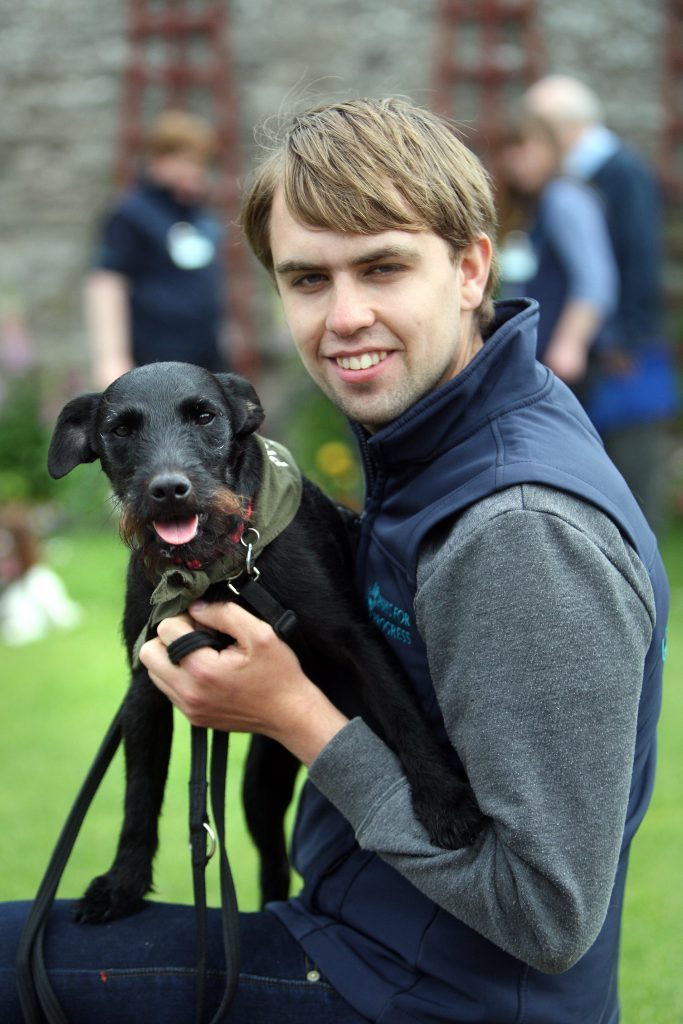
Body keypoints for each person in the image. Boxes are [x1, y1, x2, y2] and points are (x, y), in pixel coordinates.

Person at [0, 98, 668, 1023]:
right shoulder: (435, 443)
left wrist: (294, 716)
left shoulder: (519, 531)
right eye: (307, 279)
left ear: (471, 267)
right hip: (350, 925)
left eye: (383, 267)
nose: (345, 316)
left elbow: (546, 917)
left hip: (420, 992)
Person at [523, 75, 678, 532]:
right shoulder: (582, 178)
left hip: (625, 349)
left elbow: (638, 259)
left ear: (564, 128)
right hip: (606, 346)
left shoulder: (619, 171)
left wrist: (624, 341)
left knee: (632, 467)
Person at [85, 109, 230, 389]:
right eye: (188, 161)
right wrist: (111, 357)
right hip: (151, 364)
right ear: (160, 160)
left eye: (202, 163)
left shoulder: (198, 215)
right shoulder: (132, 214)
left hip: (204, 359)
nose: (197, 171)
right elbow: (106, 283)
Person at [497, 111, 618, 400]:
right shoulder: (533, 203)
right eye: (510, 151)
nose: (517, 160)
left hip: (562, 359)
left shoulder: (564, 198)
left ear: (551, 149)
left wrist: (570, 343)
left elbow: (595, 279)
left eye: (526, 148)